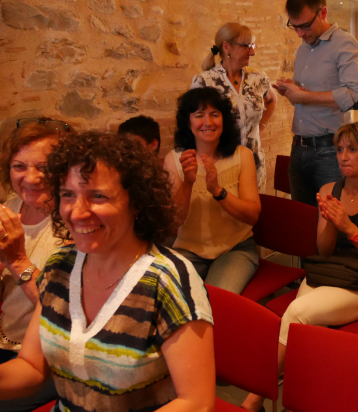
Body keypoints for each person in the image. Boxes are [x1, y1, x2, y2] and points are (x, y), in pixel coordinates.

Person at [0, 132, 215, 411]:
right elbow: (31, 367)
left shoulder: (168, 282)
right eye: (68, 194)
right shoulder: (60, 267)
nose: (77, 213)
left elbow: (196, 402)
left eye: (98, 196)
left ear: (137, 202)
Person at [242, 122, 358, 412]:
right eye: (339, 150)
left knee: (297, 313)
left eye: (352, 149)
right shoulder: (329, 189)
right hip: (327, 273)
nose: (343, 157)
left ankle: (254, 399)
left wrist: (348, 227)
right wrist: (330, 221)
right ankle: (306, 398)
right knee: (304, 332)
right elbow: (324, 250)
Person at [164, 87, 261, 294]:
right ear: (188, 122)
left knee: (216, 300)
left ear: (224, 119)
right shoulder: (174, 159)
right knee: (167, 296)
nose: (208, 122)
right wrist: (188, 183)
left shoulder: (242, 155)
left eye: (214, 114)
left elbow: (252, 215)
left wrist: (217, 190)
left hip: (236, 249)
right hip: (188, 250)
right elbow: (173, 222)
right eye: (199, 115)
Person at [275, 0, 358, 207]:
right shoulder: (303, 49)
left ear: (323, 12)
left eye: (305, 26)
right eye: (294, 26)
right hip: (298, 146)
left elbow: (357, 96)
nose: (300, 34)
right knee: (302, 217)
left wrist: (303, 97)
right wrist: (292, 89)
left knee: (331, 217)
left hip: (329, 150)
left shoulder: (344, 43)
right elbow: (310, 94)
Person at [0, 123, 65, 412]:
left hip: (50, 357)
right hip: (6, 339)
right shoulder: (10, 207)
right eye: (19, 166)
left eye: (43, 167)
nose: (31, 178)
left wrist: (17, 262)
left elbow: (63, 311)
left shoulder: (76, 220)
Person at [192, 23, 276, 194]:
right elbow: (194, 123)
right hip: (221, 165)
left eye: (252, 46)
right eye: (246, 46)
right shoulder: (205, 81)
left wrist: (261, 127)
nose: (252, 52)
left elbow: (271, 100)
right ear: (226, 47)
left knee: (252, 209)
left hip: (254, 164)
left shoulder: (258, 78)